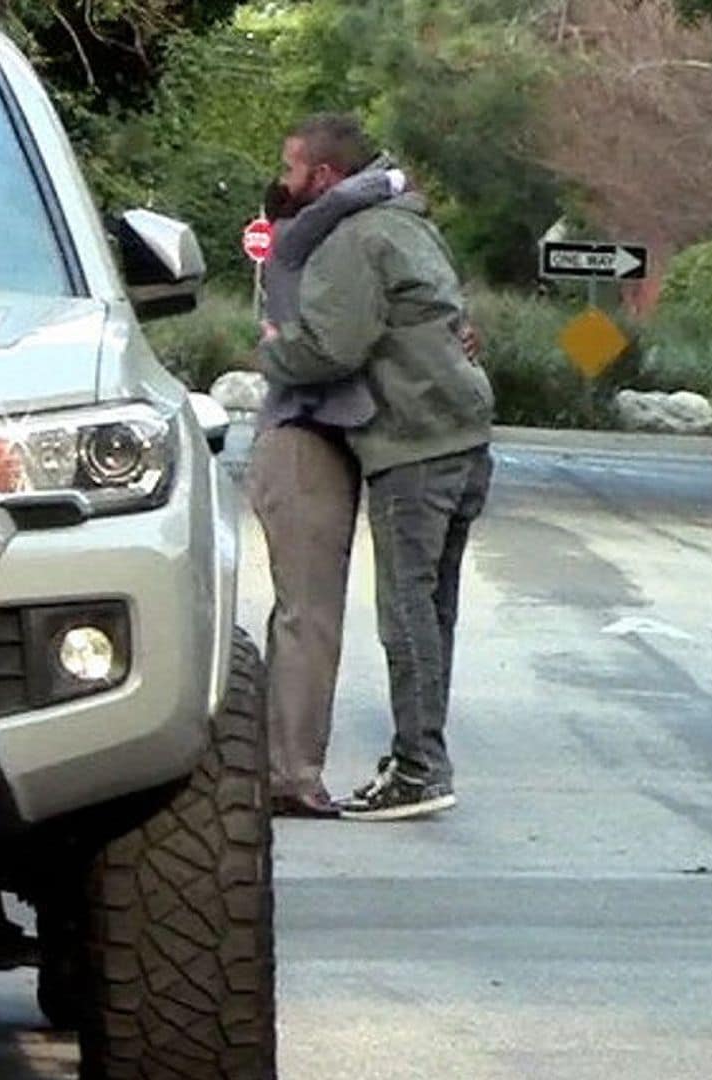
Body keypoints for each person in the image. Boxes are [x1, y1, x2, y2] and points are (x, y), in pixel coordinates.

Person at [260, 113, 495, 822]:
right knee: (435, 611)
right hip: (463, 437)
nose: (282, 181)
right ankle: (418, 755)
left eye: (291, 168)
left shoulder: (348, 239)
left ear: (324, 177)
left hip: (410, 445)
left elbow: (333, 348)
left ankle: (420, 768)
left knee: (407, 613)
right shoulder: (409, 222)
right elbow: (444, 318)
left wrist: (272, 347)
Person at [249, 162, 409, 819]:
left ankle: (285, 765)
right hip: (298, 438)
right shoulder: (296, 244)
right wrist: (393, 178)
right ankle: (290, 774)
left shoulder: (340, 260)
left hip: (328, 440)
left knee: (310, 615)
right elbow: (341, 199)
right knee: (308, 616)